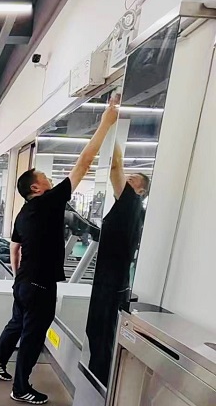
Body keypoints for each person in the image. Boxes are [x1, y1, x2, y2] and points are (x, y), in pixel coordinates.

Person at [0, 101, 119, 404]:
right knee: (32, 336)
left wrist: (19, 277)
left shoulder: (23, 213)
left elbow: (15, 248)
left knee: (17, 323)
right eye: (44, 176)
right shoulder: (49, 202)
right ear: (36, 188)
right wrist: (106, 123)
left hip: (24, 282)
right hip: (39, 285)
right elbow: (83, 163)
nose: (49, 178)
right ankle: (20, 388)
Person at [85, 142, 149, 385]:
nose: (127, 180)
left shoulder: (131, 203)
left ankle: (98, 384)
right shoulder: (129, 208)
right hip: (111, 280)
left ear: (141, 191)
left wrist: (110, 128)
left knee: (101, 335)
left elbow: (115, 166)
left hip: (111, 283)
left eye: (133, 180)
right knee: (98, 333)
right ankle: (98, 381)